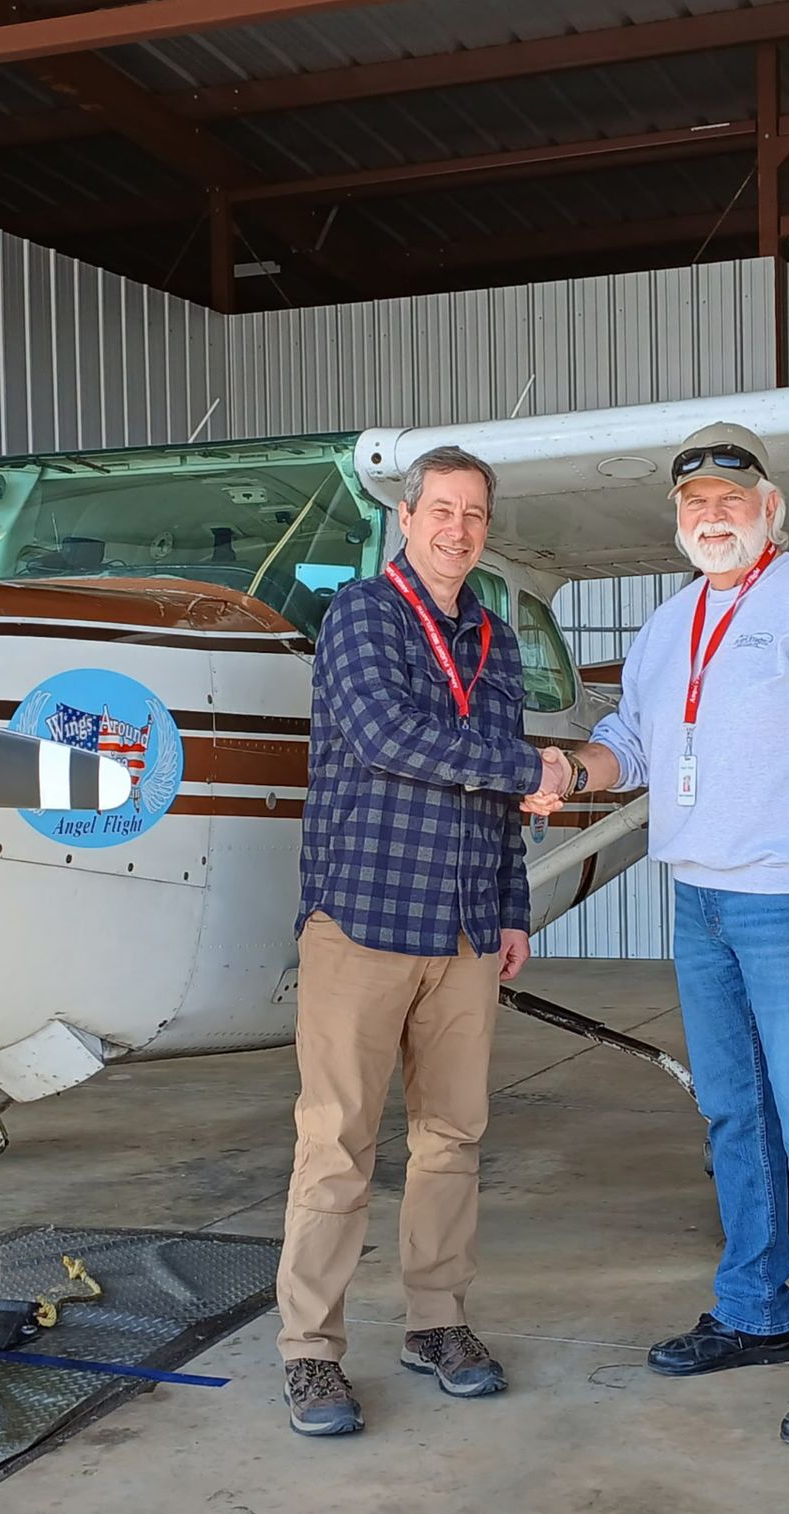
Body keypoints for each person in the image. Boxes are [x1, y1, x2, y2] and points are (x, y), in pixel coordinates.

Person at [526, 421, 789, 1448]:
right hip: (698, 901)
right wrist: (571, 770)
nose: (713, 517)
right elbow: (632, 744)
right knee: (734, 1115)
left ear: (770, 510)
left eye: (732, 501)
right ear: (678, 519)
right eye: (695, 503)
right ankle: (753, 1315)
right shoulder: (670, 623)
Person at [277, 444, 574, 1437]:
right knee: (336, 1144)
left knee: (452, 1138)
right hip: (365, 920)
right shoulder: (363, 615)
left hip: (465, 930)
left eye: (474, 514)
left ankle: (436, 1322)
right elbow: (386, 737)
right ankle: (310, 1354)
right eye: (440, 509)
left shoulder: (494, 640)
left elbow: (500, 804)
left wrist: (513, 907)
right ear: (406, 520)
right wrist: (530, 765)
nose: (457, 529)